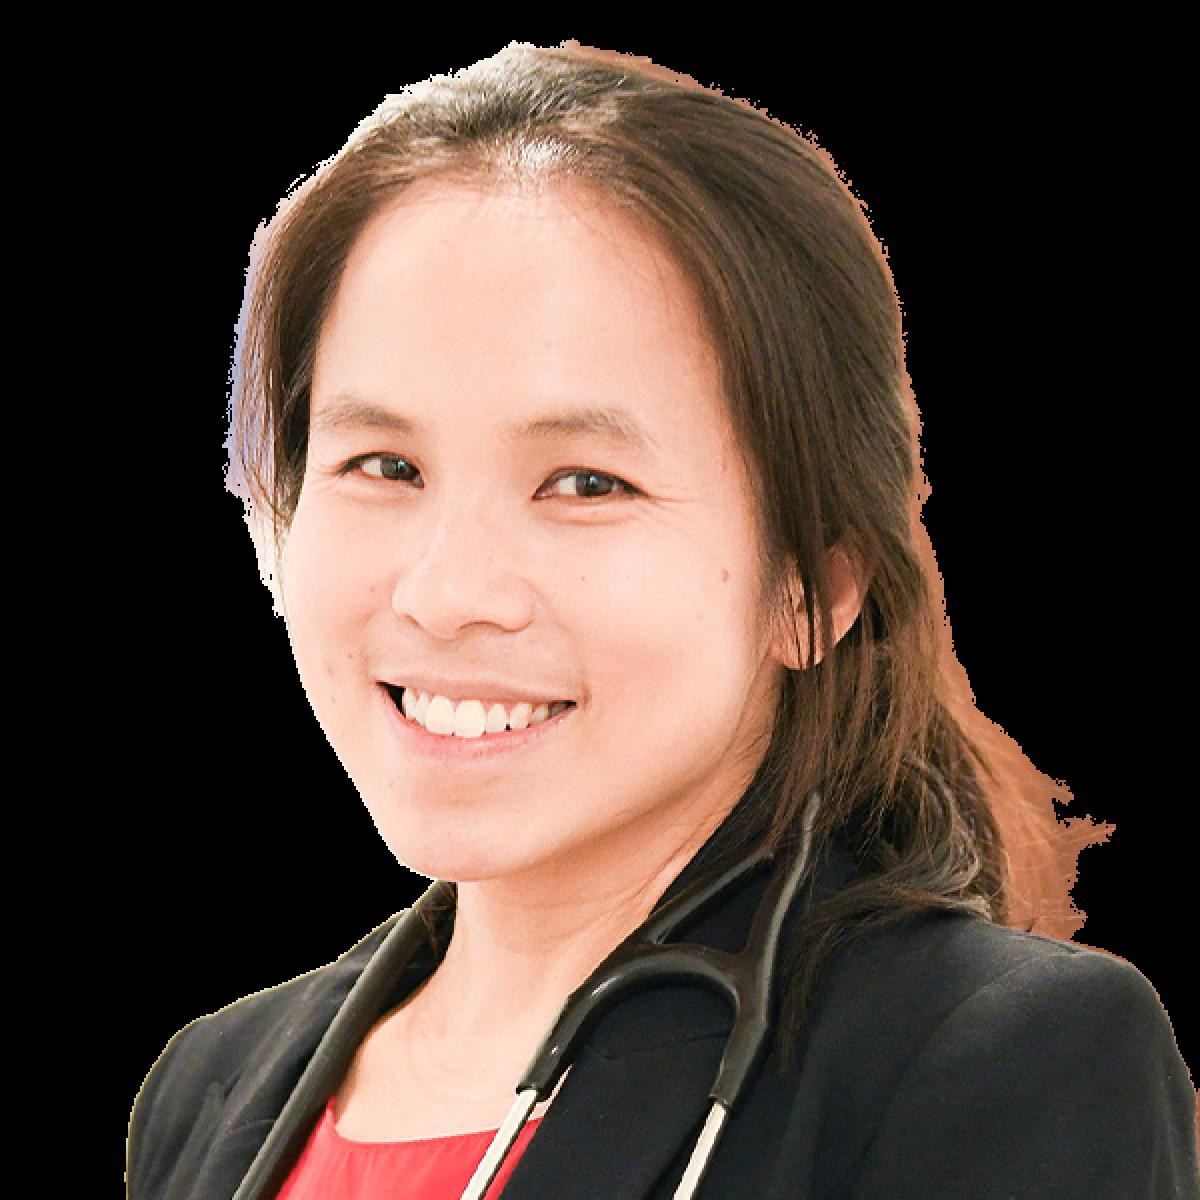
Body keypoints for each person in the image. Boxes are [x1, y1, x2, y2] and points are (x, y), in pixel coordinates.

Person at [126, 41, 1198, 1200]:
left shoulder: (989, 1062)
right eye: (383, 464)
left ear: (815, 587)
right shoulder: (213, 1090)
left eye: (585, 484)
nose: (444, 592)